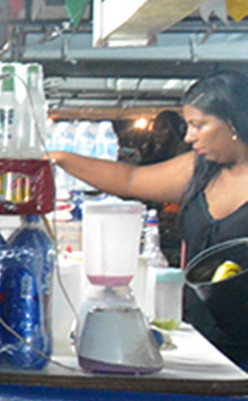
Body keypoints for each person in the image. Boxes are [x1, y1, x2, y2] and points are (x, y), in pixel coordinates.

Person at [51, 69, 248, 265]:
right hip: (196, 296)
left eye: (198, 125)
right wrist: (61, 158)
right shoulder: (198, 169)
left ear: (232, 124)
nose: (189, 137)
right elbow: (130, 180)